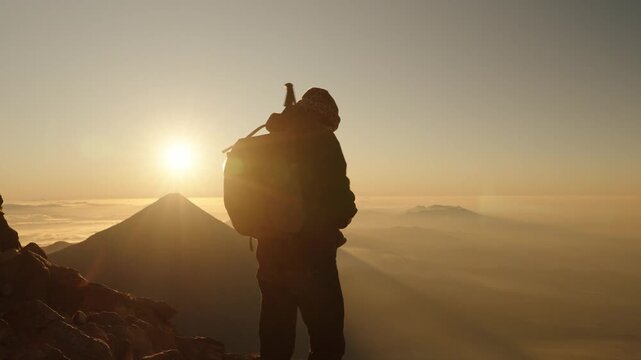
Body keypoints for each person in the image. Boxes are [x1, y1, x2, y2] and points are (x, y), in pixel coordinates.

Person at [256, 87, 357, 360]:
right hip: (312, 259)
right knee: (328, 341)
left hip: (270, 256)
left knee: (275, 339)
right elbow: (341, 203)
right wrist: (347, 212)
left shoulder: (269, 141)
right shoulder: (323, 141)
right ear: (325, 117)